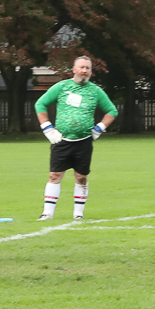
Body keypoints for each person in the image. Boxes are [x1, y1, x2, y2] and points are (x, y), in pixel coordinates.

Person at [34, 55, 118, 221]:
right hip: (61, 141)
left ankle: (78, 214)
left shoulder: (95, 91)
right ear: (74, 69)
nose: (84, 71)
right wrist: (47, 128)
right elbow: (40, 104)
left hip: (84, 142)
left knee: (81, 177)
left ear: (91, 72)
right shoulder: (62, 87)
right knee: (54, 176)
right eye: (81, 67)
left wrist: (99, 128)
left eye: (87, 68)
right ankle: (47, 213)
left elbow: (112, 111)